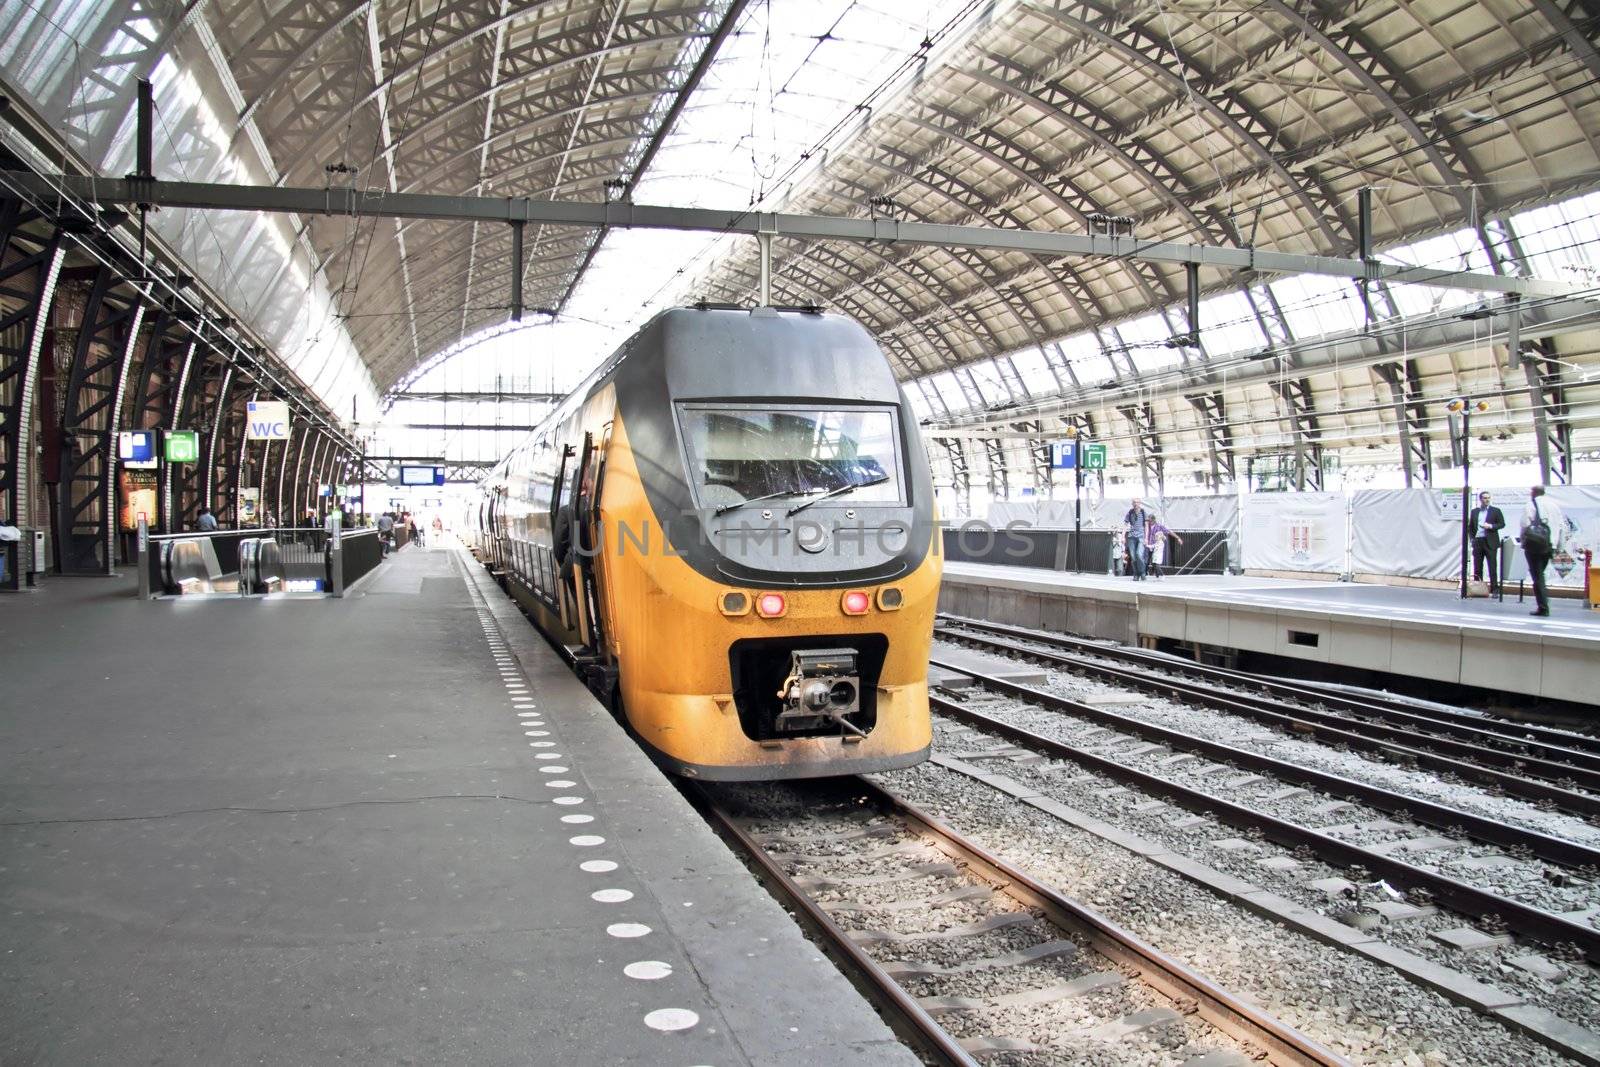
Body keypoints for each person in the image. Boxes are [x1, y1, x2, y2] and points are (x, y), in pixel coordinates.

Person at [1519, 485, 1566, 617]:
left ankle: (1543, 607)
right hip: (1550, 545)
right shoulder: (1554, 506)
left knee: (1537, 576)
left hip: (1534, 545)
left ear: (1533, 493)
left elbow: (1524, 525)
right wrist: (1558, 547)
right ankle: (1543, 603)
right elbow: (1562, 527)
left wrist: (1523, 542)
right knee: (1540, 574)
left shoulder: (1531, 505)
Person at [1467, 491, 1506, 594]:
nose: (1487, 500)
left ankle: (1495, 589)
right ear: (1480, 499)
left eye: (1488, 498)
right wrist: (1472, 538)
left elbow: (1502, 524)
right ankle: (1477, 588)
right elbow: (1470, 527)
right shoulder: (1474, 511)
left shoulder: (1495, 511)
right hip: (1478, 541)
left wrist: (1491, 526)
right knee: (1477, 566)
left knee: (1492, 566)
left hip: (1490, 541)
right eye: (1484, 498)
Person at [1145, 513, 1183, 579]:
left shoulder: (1159, 526)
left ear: (1153, 520)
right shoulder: (1146, 527)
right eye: (1148, 521)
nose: (1148, 522)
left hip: (1156, 546)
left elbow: (1168, 531)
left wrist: (1177, 538)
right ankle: (1147, 573)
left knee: (1154, 562)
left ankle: (1157, 574)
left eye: (1149, 520)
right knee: (1147, 560)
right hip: (1148, 545)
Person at [1123, 498, 1150, 580]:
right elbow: (1125, 525)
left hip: (1141, 536)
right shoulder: (1130, 512)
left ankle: (1142, 572)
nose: (1136, 504)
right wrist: (1123, 536)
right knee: (1133, 557)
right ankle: (1136, 574)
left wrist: (1146, 538)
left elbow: (1146, 526)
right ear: (1132, 503)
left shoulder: (1143, 512)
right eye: (1134, 502)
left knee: (1139, 554)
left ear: (1140, 503)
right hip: (1131, 536)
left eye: (1137, 502)